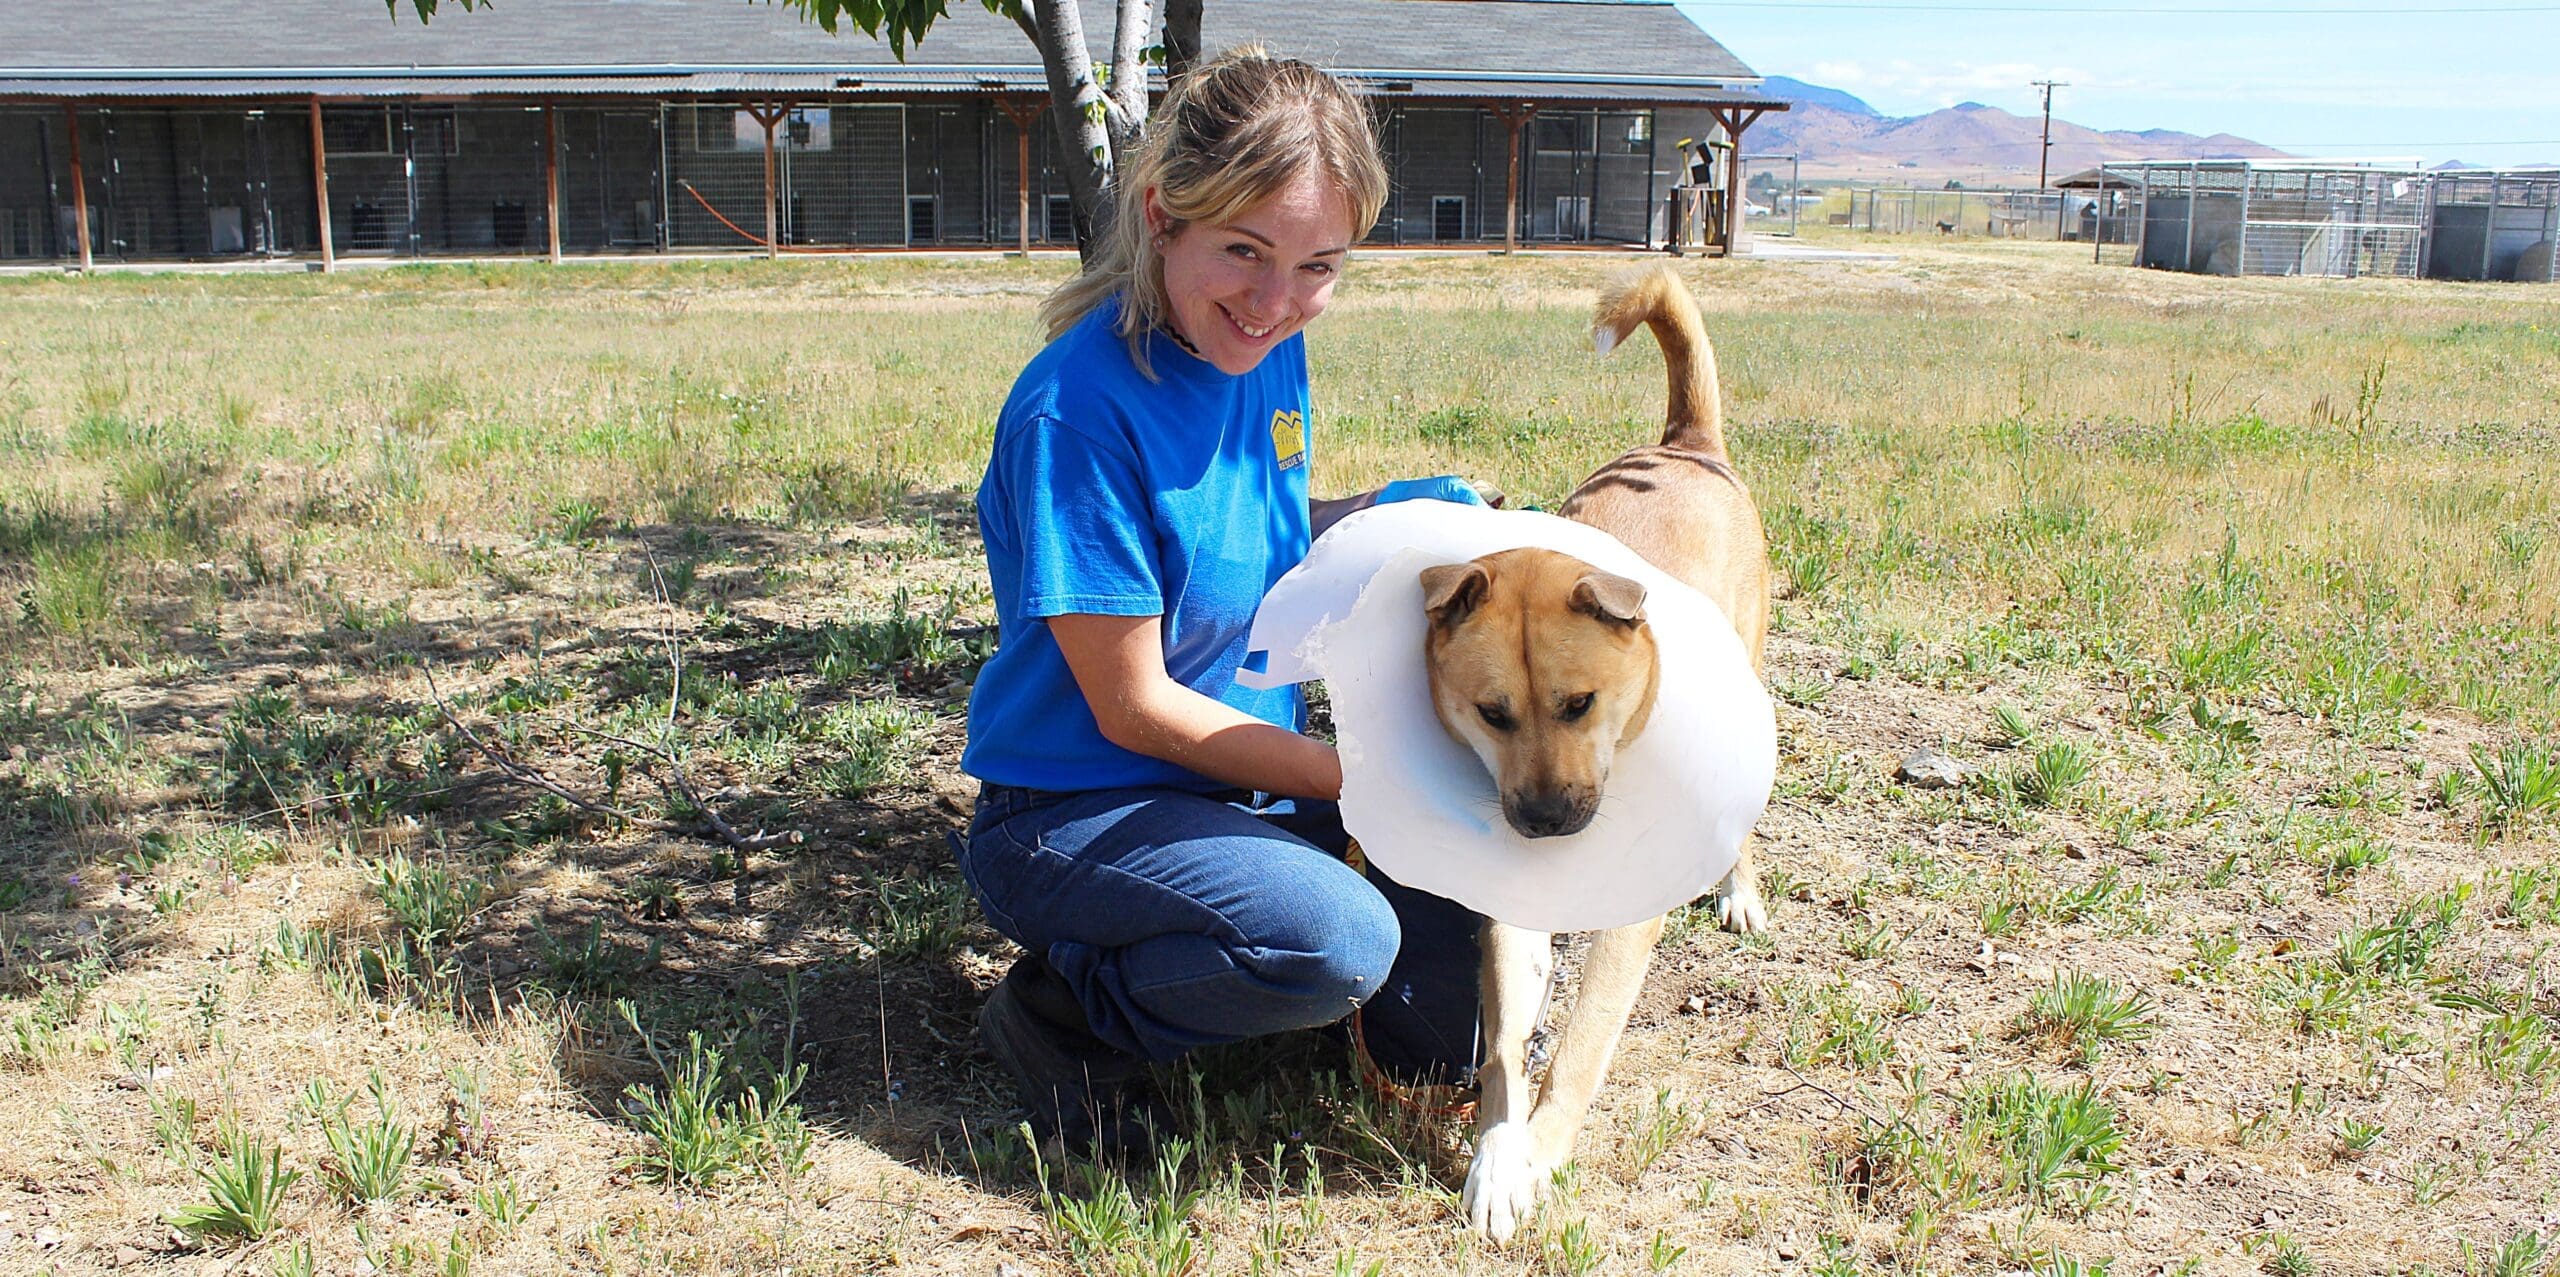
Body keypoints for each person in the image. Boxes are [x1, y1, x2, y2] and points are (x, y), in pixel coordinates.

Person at [956, 47, 1487, 1157]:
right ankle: (1065, 1015)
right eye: (1243, 251)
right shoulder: (1079, 412)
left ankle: (1249, 947)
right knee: (1335, 942)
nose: (1274, 299)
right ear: (1162, 216)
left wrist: (1389, 514)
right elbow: (1136, 707)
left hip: (1232, 783)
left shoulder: (1262, 351)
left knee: (1474, 854)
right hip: (1078, 807)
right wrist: (1360, 780)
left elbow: (1265, 538)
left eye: (1315, 266)